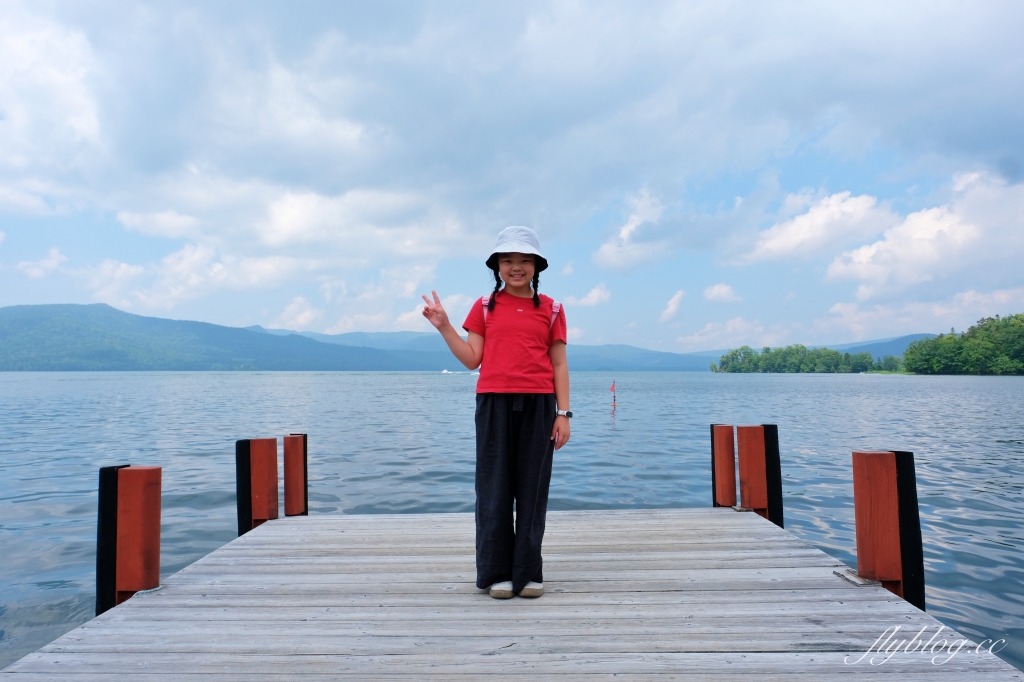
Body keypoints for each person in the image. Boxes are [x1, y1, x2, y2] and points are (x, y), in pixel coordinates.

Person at [421, 225, 571, 599]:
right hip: (493, 403)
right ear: (497, 266)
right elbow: (472, 359)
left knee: (532, 490)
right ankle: (495, 574)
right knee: (494, 489)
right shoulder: (485, 307)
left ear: (537, 266)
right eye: (508, 260)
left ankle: (528, 573)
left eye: (524, 260)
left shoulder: (552, 309)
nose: (516, 267)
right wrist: (444, 327)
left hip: (539, 406)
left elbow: (559, 365)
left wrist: (563, 413)